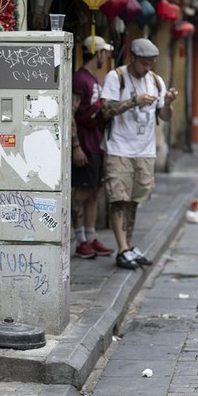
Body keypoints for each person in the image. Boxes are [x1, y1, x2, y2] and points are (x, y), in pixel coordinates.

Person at [99, 38, 178, 270]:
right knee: (118, 199)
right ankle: (122, 249)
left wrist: (168, 103)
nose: (147, 69)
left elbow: (164, 117)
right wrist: (134, 101)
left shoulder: (156, 80)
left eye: (151, 64)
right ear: (131, 58)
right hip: (119, 148)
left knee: (134, 200)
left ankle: (129, 246)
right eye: (144, 64)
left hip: (145, 151)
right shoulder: (117, 77)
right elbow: (106, 109)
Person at [71, 35, 115, 259]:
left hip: (97, 143)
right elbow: (71, 113)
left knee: (95, 192)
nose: (106, 56)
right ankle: (80, 240)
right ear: (97, 53)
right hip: (85, 145)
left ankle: (91, 235)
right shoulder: (80, 79)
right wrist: (76, 146)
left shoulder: (95, 79)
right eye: (104, 52)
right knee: (82, 192)